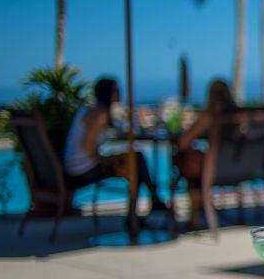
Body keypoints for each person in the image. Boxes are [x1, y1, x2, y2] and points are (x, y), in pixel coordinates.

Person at [64, 77, 166, 217]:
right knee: (136, 161)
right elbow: (87, 146)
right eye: (116, 90)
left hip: (75, 167)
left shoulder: (92, 111)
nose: (120, 93)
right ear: (108, 93)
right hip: (82, 171)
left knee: (135, 161)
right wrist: (107, 159)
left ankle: (145, 206)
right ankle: (148, 203)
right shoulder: (100, 114)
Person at [173, 79, 239, 228]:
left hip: (213, 170)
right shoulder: (239, 117)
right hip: (239, 167)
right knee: (195, 160)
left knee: (187, 161)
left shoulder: (210, 116)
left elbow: (183, 142)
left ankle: (195, 215)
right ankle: (200, 208)